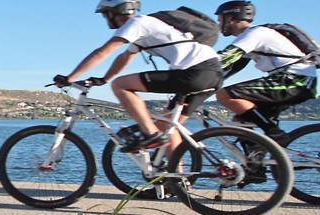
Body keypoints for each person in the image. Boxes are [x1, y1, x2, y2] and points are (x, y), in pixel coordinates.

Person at [55, 0, 224, 154]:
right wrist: (104, 79)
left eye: (105, 14)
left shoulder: (136, 23)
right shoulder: (146, 26)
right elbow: (125, 57)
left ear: (112, 12)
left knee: (120, 85)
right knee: (167, 126)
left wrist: (70, 77)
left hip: (194, 72)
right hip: (213, 73)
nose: (105, 19)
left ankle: (151, 133)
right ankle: (177, 181)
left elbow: (102, 53)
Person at [212, 1, 318, 145]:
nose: (218, 25)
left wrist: (187, 75)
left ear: (230, 18)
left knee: (224, 95)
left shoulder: (254, 34)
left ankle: (275, 133)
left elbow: (224, 59)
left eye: (219, 20)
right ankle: (258, 163)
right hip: (295, 80)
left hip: (294, 80)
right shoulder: (252, 37)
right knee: (244, 126)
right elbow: (229, 68)